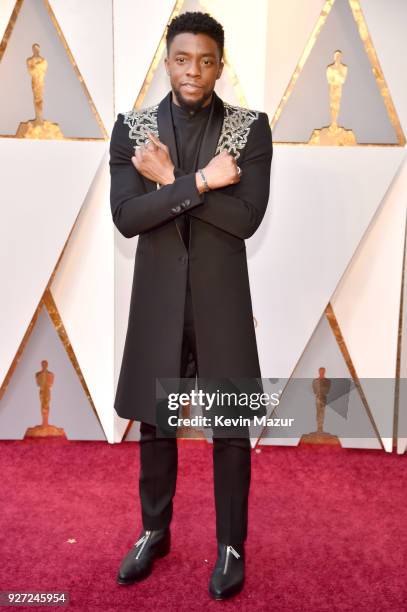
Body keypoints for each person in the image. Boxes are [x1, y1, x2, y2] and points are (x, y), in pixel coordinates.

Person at [109, 11, 273, 600]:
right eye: (183, 59)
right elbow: (127, 218)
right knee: (157, 424)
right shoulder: (133, 130)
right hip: (158, 300)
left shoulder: (249, 129)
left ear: (220, 65)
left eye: (206, 60)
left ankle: (232, 545)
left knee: (229, 427)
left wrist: (172, 181)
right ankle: (155, 532)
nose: (193, 71)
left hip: (221, 299)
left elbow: (245, 221)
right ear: (167, 60)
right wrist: (201, 182)